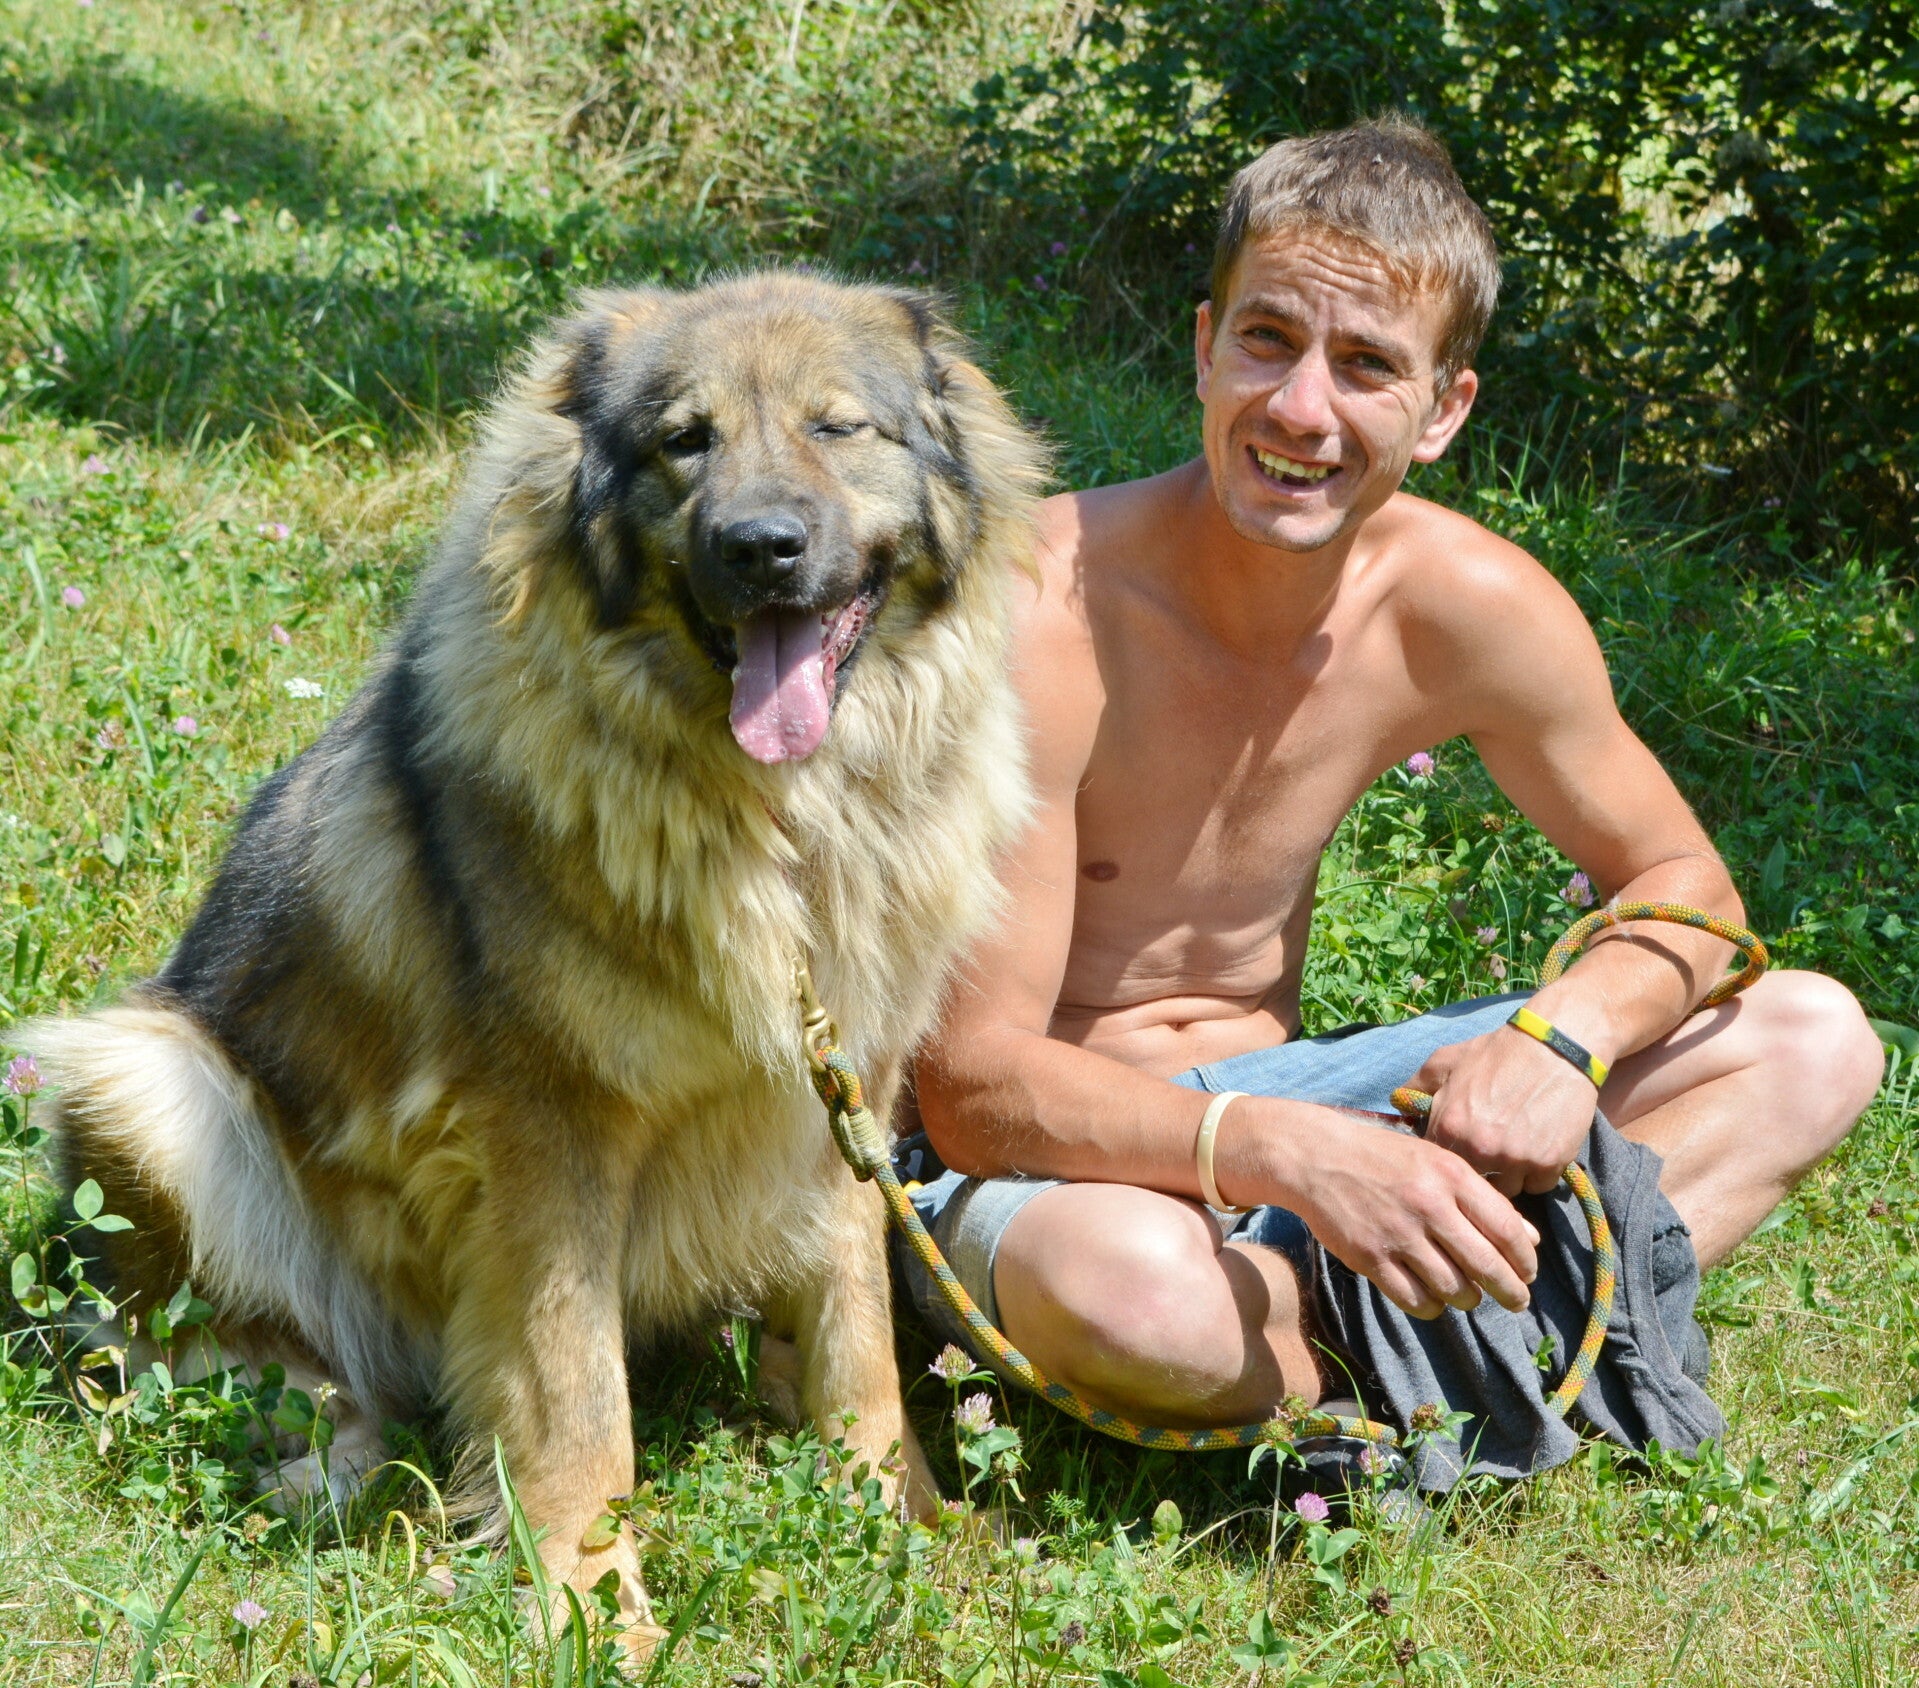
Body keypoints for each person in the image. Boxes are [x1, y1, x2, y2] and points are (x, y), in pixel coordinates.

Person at [902, 117, 1885, 1446]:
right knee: (1136, 1297)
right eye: (1268, 340)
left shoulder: (1465, 606)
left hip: (1312, 1106)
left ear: (1443, 410)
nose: (1301, 410)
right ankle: (1478, 1342)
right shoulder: (1040, 610)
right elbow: (971, 1093)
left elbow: (1687, 889)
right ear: (1204, 346)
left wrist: (1562, 1040)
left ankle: (1366, 1349)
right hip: (1066, 1169)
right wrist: (1299, 1154)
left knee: (1816, 1042)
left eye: (1367, 365)